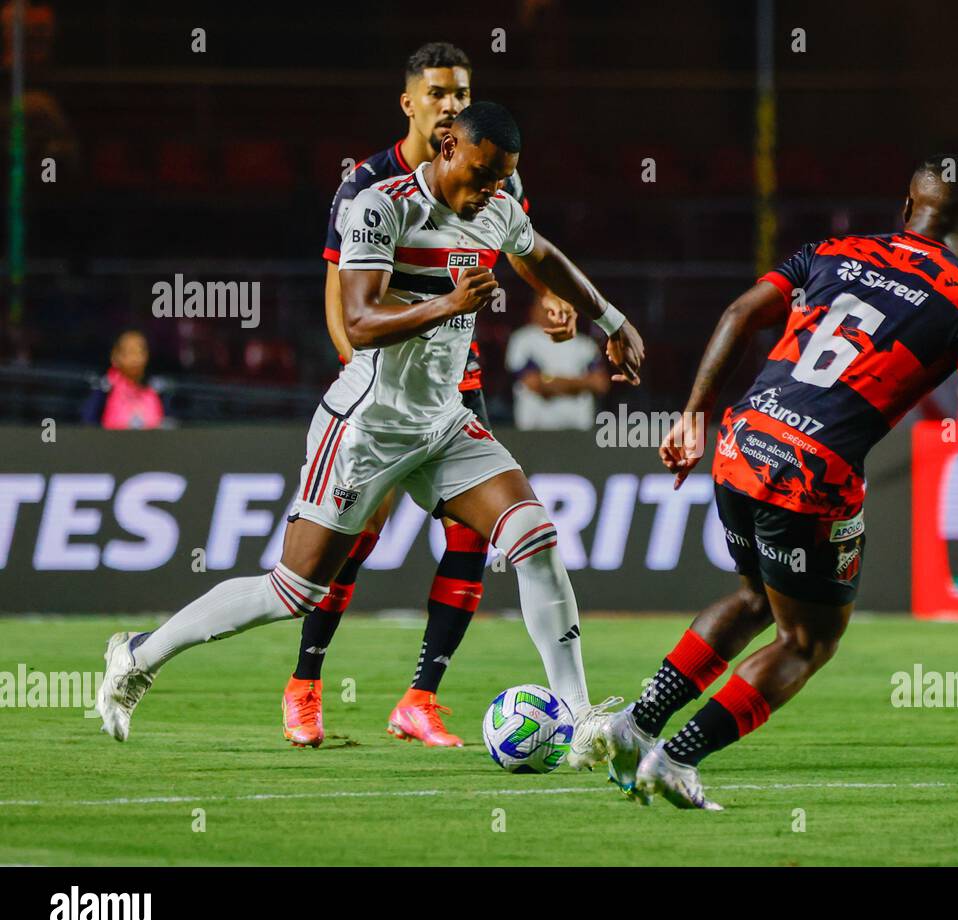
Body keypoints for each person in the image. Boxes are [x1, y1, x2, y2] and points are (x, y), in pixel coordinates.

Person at [96, 103, 646, 774]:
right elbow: (357, 320)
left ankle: (582, 716)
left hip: (444, 423)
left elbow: (543, 255)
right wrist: (448, 302)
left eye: (500, 179)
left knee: (533, 537)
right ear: (446, 145)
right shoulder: (380, 206)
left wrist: (611, 320)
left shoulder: (498, 208)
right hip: (367, 427)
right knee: (292, 591)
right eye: (478, 174)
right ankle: (139, 655)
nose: (487, 192)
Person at [594, 155, 958, 809]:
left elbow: (739, 312)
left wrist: (692, 417)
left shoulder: (831, 251)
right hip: (812, 471)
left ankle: (635, 724)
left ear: (906, 206)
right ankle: (673, 759)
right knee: (807, 640)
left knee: (753, 597)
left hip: (743, 441)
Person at [283, 42, 580, 750]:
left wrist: (554, 297)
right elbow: (342, 298)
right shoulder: (368, 184)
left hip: (460, 386)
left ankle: (420, 697)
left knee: (474, 536)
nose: (451, 102)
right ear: (410, 102)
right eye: (440, 91)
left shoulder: (491, 170)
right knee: (353, 539)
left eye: (462, 91)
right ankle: (305, 685)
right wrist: (369, 376)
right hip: (385, 393)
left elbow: (517, 243)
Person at [507, 292, 609, 429]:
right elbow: (533, 383)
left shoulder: (585, 344)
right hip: (535, 430)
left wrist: (552, 382)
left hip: (578, 429)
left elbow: (600, 384)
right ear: (533, 310)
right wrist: (583, 383)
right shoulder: (523, 340)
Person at [81, 330, 166, 430]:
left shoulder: (156, 388)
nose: (136, 358)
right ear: (115, 356)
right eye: (130, 352)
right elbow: (88, 422)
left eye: (140, 352)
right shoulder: (106, 388)